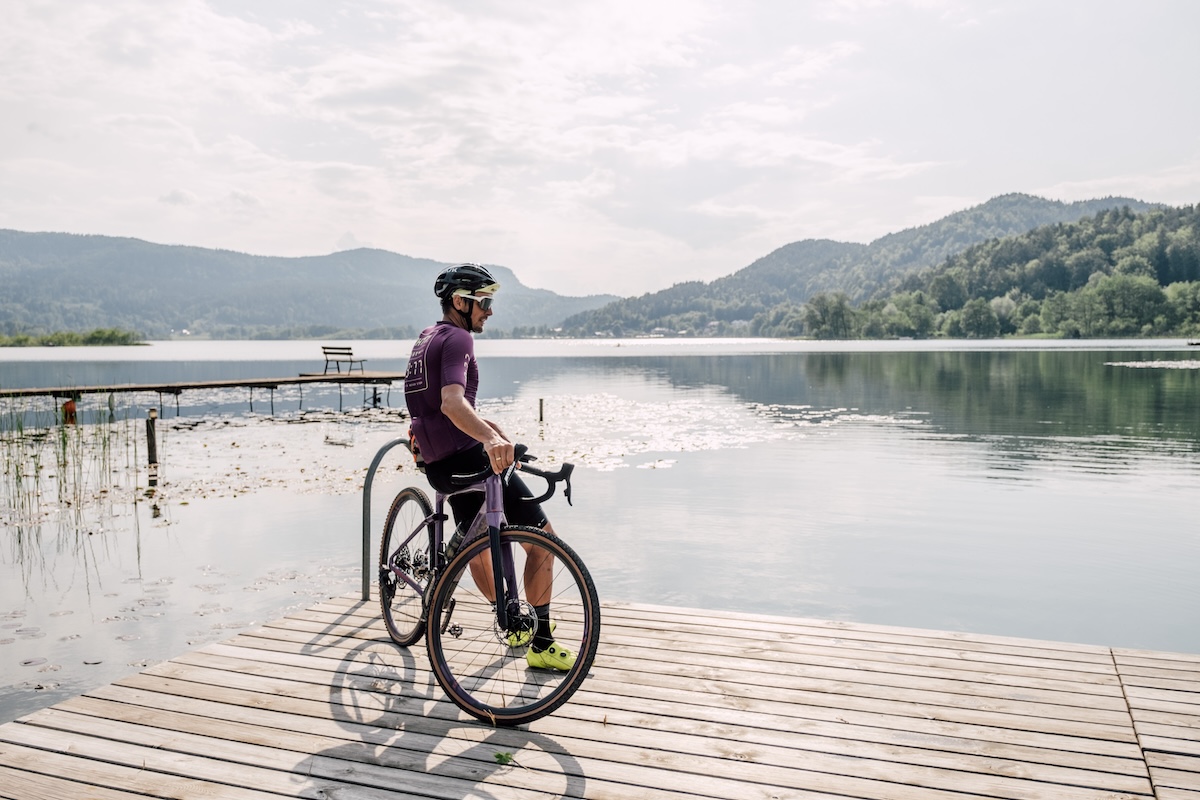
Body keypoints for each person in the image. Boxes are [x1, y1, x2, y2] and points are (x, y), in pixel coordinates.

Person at [404, 263, 575, 671]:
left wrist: (495, 431)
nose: (489, 311)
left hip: (441, 465)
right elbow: (451, 403)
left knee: (480, 541)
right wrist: (492, 440)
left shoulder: (427, 338)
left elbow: (436, 408)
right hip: (470, 460)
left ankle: (510, 621)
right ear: (460, 302)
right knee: (544, 542)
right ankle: (542, 642)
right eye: (484, 302)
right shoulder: (460, 338)